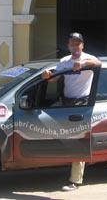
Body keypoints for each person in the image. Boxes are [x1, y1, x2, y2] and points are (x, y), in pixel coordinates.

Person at [41, 32, 102, 192]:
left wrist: (82, 65)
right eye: (72, 43)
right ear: (69, 45)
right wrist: (47, 76)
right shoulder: (64, 61)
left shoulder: (88, 58)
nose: (75, 45)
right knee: (64, 138)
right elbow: (54, 78)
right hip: (66, 102)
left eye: (78, 43)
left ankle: (75, 180)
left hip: (82, 104)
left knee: (77, 140)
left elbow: (98, 63)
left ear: (82, 45)